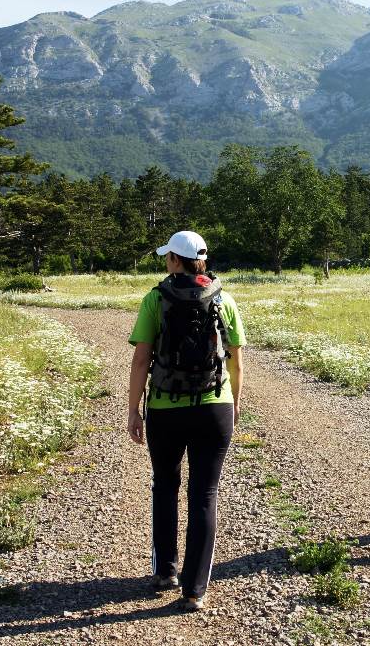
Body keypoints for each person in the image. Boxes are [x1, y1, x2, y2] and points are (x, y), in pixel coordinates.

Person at [127, 230, 246, 611]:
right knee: (205, 494)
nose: (166, 262)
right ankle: (194, 589)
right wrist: (235, 404)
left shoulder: (154, 299)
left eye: (168, 257)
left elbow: (141, 360)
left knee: (165, 485)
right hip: (215, 407)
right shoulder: (224, 299)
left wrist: (133, 408)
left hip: (164, 407)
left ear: (175, 261)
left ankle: (165, 571)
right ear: (204, 262)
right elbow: (236, 360)